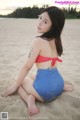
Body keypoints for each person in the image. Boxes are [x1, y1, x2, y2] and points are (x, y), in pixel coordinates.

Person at [1, 6, 73, 116]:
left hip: (44, 92)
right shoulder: (57, 40)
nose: (39, 23)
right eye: (40, 18)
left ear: (53, 25)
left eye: (45, 21)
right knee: (33, 76)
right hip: (59, 83)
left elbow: (27, 66)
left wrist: (15, 85)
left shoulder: (38, 41)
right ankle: (62, 87)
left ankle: (29, 100)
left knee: (19, 81)